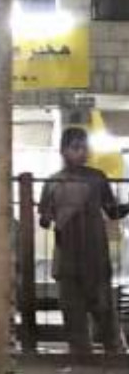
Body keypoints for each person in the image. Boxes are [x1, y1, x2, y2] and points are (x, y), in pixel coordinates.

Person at [38, 126, 129, 354]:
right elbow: (44, 220)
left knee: (104, 310)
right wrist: (55, 215)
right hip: (68, 257)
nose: (82, 152)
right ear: (63, 150)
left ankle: (114, 354)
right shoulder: (53, 182)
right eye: (76, 147)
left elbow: (112, 212)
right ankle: (82, 357)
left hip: (94, 255)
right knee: (73, 313)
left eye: (84, 148)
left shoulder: (97, 178)